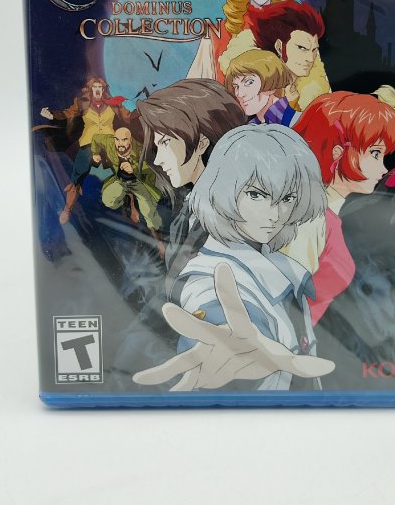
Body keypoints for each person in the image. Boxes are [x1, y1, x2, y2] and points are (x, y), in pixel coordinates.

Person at [133, 125, 334, 391]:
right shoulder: (209, 277)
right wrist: (231, 350)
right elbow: (217, 314)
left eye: (287, 198)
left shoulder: (278, 265)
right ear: (222, 189)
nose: (274, 214)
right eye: (256, 195)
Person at [284, 92, 395, 324]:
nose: (384, 168)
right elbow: (282, 298)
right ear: (338, 153)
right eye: (375, 154)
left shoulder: (323, 217)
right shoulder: (310, 220)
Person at [135, 79, 247, 286]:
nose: (158, 159)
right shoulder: (187, 210)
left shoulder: (232, 215)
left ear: (202, 141)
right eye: (157, 146)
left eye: (165, 142)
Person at [40, 76, 130, 224]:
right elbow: (68, 113)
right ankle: (67, 209)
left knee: (125, 172)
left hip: (110, 143)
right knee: (76, 176)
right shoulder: (82, 102)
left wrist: (144, 112)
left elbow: (128, 117)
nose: (97, 90)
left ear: (104, 89)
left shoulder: (114, 103)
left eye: (100, 88)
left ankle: (129, 207)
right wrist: (52, 115)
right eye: (95, 87)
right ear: (90, 89)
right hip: (89, 143)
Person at [218, 0, 331, 111]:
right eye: (301, 48)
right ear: (279, 47)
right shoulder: (256, 91)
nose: (311, 58)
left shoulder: (313, 91)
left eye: (314, 50)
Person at [89, 127, 162, 234]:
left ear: (130, 140)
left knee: (149, 211)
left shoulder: (140, 150)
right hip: (120, 180)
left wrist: (134, 169)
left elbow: (151, 168)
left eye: (124, 140)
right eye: (117, 139)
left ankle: (156, 234)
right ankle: (127, 199)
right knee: (108, 201)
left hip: (137, 182)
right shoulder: (109, 142)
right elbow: (96, 138)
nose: (120, 143)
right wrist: (95, 153)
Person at [224, 49, 299, 126]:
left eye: (249, 82)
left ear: (271, 81)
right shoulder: (252, 126)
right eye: (236, 86)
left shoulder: (293, 118)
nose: (240, 94)